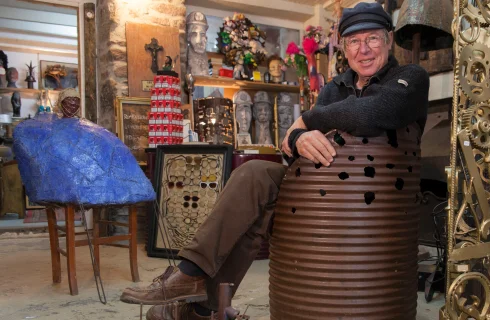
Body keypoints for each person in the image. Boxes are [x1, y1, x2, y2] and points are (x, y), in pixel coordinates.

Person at [120, 3, 429, 319]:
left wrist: (309, 118)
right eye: (354, 41)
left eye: (373, 39)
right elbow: (289, 148)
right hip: (318, 189)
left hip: (379, 200)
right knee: (254, 175)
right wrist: (298, 137)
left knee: (263, 211)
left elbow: (382, 111)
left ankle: (200, 306)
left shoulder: (410, 78)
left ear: (389, 40)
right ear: (345, 48)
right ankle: (193, 276)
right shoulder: (335, 88)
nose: (363, 50)